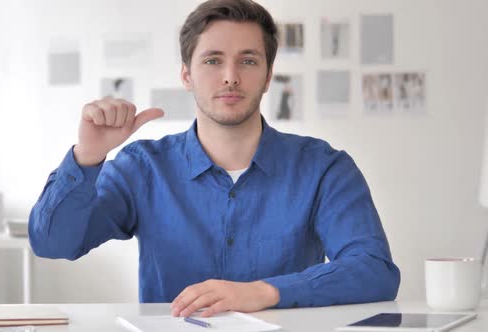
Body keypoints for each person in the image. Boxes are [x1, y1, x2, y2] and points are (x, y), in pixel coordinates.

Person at [29, 0, 400, 319]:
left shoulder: (324, 168)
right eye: (212, 60)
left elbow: (375, 270)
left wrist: (264, 292)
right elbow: (52, 244)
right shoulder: (142, 167)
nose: (230, 77)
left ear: (269, 76)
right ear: (186, 75)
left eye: (249, 61)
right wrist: (88, 157)